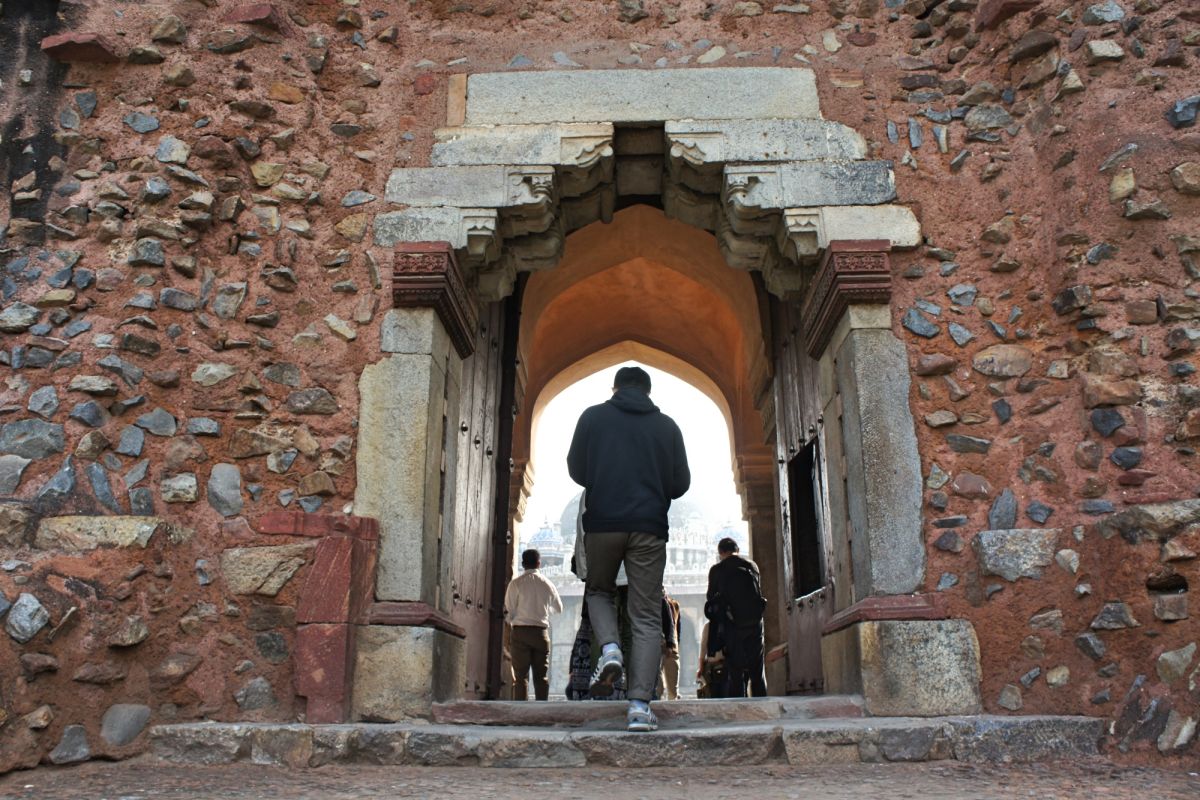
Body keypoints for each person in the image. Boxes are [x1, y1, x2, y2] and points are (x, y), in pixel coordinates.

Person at [567, 365, 690, 731]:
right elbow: (680, 484)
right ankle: (638, 707)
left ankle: (610, 649)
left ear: (614, 388)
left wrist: (605, 478)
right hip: (649, 527)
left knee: (599, 591)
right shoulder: (668, 426)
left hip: (602, 523)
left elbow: (576, 470)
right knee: (647, 615)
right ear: (648, 392)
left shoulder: (592, 417)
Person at [704, 537, 767, 698]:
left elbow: (710, 598)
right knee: (757, 671)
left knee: (735, 672)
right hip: (755, 623)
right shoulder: (752, 566)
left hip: (732, 625)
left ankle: (739, 705)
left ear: (720, 553)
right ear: (737, 550)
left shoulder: (717, 570)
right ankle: (762, 703)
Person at [503, 548, 563, 701]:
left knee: (520, 677)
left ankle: (521, 709)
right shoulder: (548, 584)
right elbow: (559, 608)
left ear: (523, 564)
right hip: (541, 634)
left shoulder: (516, 584)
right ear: (539, 564)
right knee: (541, 677)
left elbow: (509, 611)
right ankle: (542, 708)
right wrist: (543, 612)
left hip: (520, 633)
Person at [657, 590, 681, 701]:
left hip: (671, 648)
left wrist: (673, 645)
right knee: (659, 686)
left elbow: (676, 628)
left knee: (673, 689)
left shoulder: (674, 605)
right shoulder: (654, 603)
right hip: (658, 646)